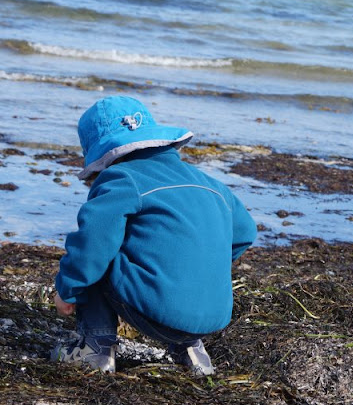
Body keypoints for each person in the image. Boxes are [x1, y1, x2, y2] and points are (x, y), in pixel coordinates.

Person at [51, 96, 257, 375]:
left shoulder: (121, 178)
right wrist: (201, 264)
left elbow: (92, 243)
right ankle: (191, 350)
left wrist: (68, 290)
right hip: (213, 316)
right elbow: (245, 232)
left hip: (158, 312)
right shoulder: (210, 183)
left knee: (101, 251)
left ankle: (95, 348)